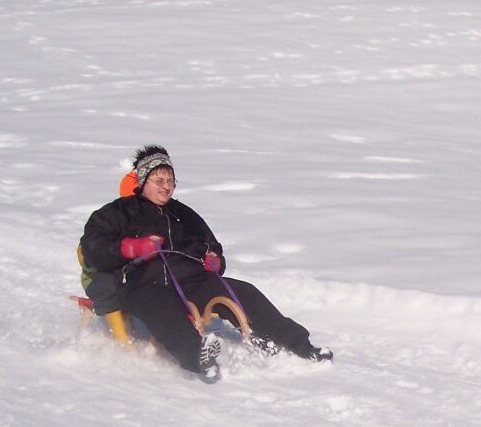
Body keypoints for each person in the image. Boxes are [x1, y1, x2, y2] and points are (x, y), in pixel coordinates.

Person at [79, 145, 332, 382]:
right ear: (143, 181)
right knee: (161, 305)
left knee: (244, 292)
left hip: (193, 282)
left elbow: (212, 246)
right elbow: (92, 247)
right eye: (159, 180)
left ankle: (296, 344)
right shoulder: (118, 211)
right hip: (143, 283)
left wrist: (215, 260)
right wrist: (131, 247)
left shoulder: (184, 215)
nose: (166, 187)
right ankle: (196, 355)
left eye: (170, 181)